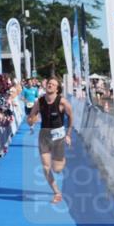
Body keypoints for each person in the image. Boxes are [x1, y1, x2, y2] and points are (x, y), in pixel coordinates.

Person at [27, 76, 73, 204]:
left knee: (57, 169)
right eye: (49, 83)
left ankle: (61, 159)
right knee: (46, 167)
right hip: (44, 135)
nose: (50, 85)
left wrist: (68, 134)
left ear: (57, 89)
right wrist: (31, 120)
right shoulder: (40, 101)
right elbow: (31, 117)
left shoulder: (62, 102)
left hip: (58, 135)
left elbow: (71, 117)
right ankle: (57, 192)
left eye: (53, 84)